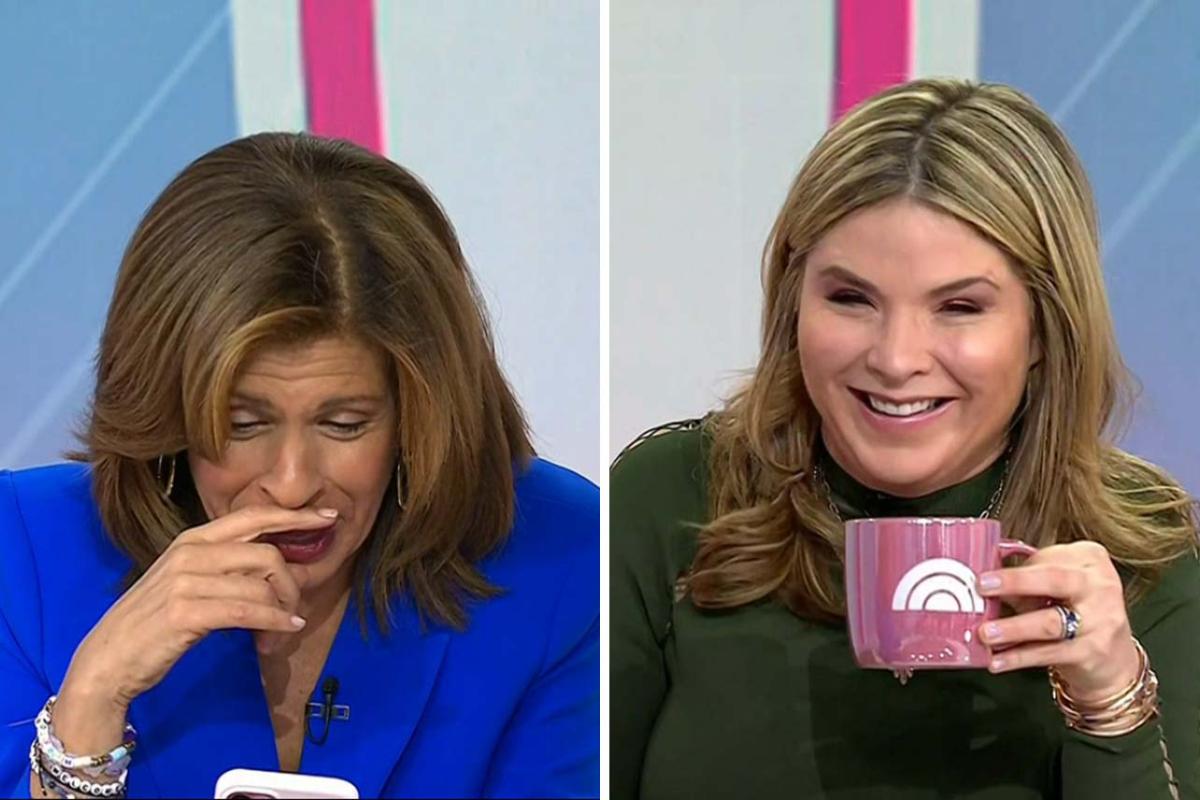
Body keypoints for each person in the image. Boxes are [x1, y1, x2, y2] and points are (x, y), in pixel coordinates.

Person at [612, 78, 1199, 799]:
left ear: (1044, 329)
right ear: (794, 302)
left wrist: (1110, 698)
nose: (896, 359)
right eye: (851, 298)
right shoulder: (668, 499)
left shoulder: (1139, 547)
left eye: (959, 307)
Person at [0, 133, 599, 799]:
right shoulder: (26, 556)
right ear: (167, 412)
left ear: (418, 416)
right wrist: (92, 702)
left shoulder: (563, 558)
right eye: (242, 425)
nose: (292, 484)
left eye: (344, 424)